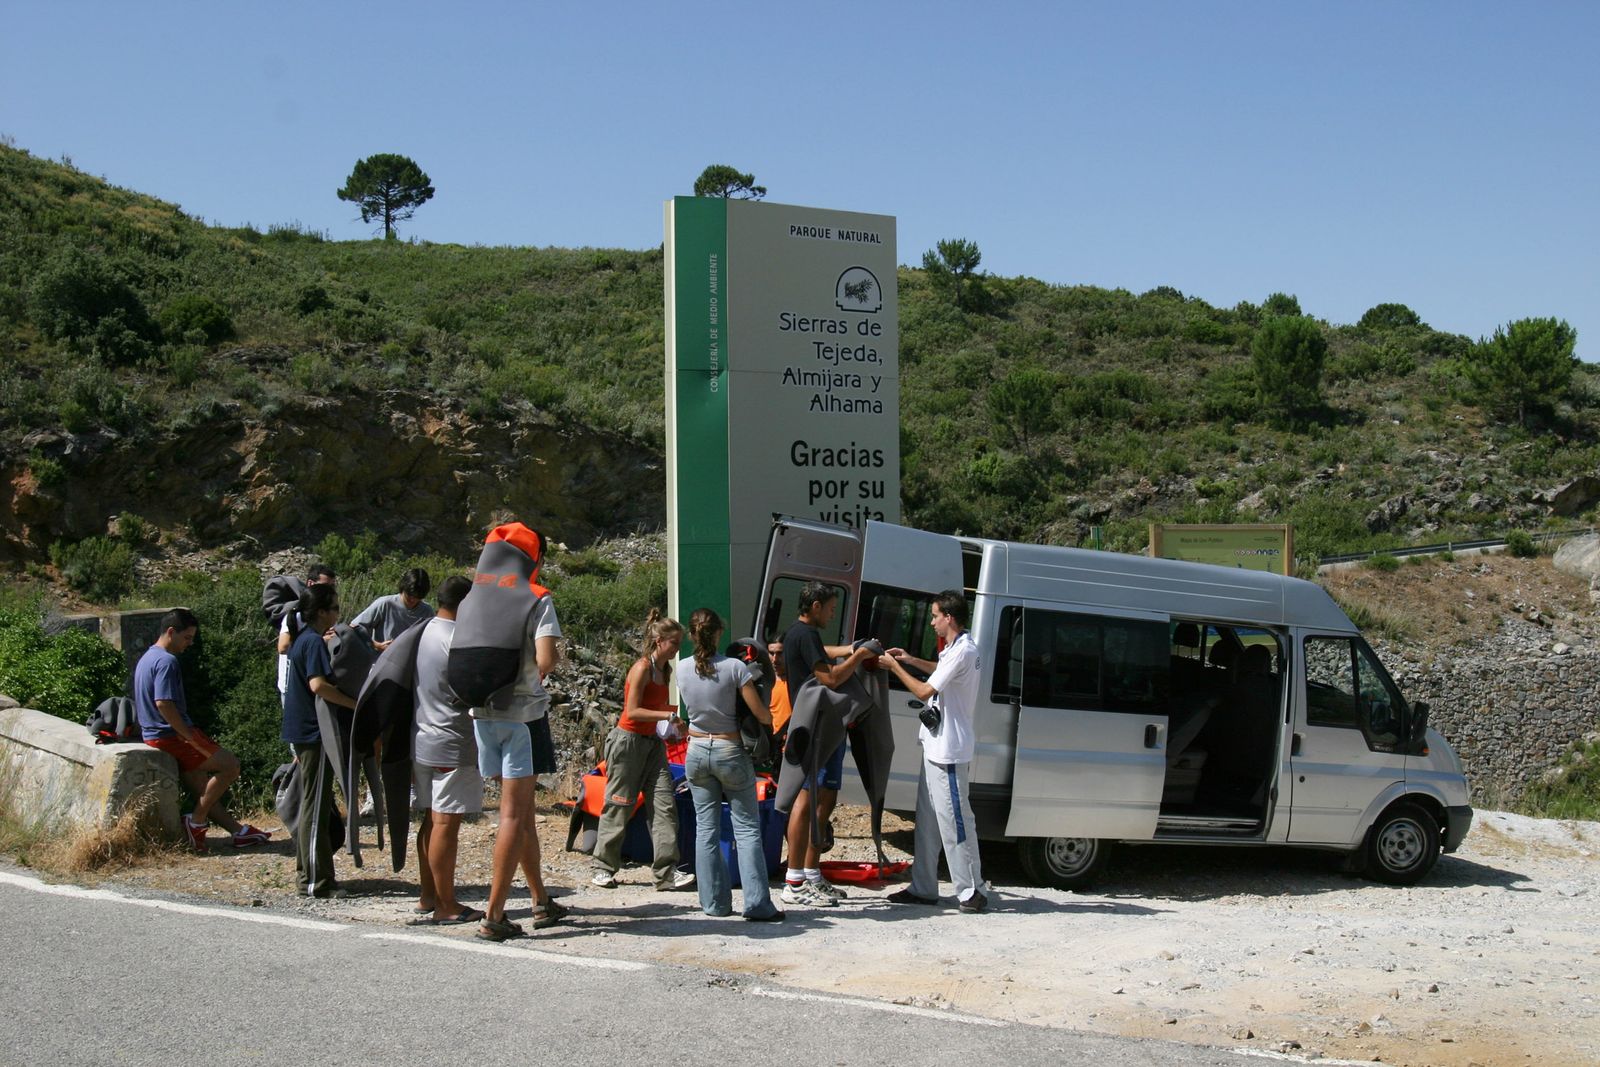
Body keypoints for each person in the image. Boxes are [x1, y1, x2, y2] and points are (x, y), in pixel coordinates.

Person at [458, 523, 567, 942]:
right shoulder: (535, 597)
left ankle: (540, 901)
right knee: (514, 816)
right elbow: (547, 659)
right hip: (522, 716)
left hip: (482, 715)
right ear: (533, 558)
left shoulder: (473, 597)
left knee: (521, 814)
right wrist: (538, 670)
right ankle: (494, 915)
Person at [880, 590, 989, 913]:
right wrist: (911, 660)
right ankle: (924, 887)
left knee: (956, 823)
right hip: (935, 746)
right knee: (928, 823)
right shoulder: (955, 649)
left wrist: (894, 667)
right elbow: (941, 671)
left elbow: (925, 690)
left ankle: (972, 890)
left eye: (935, 616)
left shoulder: (964, 650)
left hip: (949, 752)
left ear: (949, 618)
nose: (932, 622)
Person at [134, 608, 269, 852]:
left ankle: (237, 832)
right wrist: (188, 735)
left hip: (154, 735)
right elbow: (163, 703)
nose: (190, 643)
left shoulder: (147, 658)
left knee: (204, 790)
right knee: (230, 766)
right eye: (187, 637)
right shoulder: (166, 661)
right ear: (171, 632)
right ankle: (195, 821)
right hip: (171, 735)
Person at [678, 608, 782, 922]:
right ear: (719, 633)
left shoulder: (681, 668)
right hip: (729, 750)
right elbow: (761, 713)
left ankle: (714, 904)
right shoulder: (735, 668)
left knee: (706, 830)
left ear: (692, 635)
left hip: (696, 750)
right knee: (747, 829)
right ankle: (757, 904)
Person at [778, 581, 876, 908]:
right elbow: (830, 678)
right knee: (806, 801)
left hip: (826, 725)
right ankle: (794, 881)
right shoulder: (804, 634)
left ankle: (811, 873)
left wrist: (849, 649)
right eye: (831, 608)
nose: (833, 614)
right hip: (816, 727)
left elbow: (822, 653)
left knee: (825, 799)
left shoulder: (803, 635)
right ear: (816, 606)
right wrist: (859, 656)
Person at [590, 609, 695, 892]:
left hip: (652, 744)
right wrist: (667, 717)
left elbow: (655, 710)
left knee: (664, 806)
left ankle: (666, 873)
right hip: (628, 743)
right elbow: (633, 711)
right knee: (619, 804)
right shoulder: (641, 668)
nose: (677, 649)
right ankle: (603, 868)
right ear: (659, 641)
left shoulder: (665, 670)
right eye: (674, 643)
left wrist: (670, 728)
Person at [410, 575, 484, 926]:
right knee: (445, 824)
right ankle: (446, 905)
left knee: (430, 820)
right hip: (452, 742)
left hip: (423, 736)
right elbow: (474, 691)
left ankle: (428, 896)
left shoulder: (424, 630)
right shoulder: (457, 640)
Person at [283, 582, 355, 899]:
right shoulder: (312, 642)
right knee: (315, 807)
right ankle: (315, 881)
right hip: (315, 733)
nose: (338, 614)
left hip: (305, 732)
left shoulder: (303, 639)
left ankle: (312, 874)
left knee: (316, 803)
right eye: (335, 608)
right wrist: (353, 704)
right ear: (322, 612)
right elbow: (318, 686)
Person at [277, 563, 336, 706]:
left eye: (332, 587)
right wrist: (321, 640)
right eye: (325, 586)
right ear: (310, 584)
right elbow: (283, 647)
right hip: (294, 685)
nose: (329, 591)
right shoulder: (298, 615)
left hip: (311, 679)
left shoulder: (326, 614)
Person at [351, 568, 435, 653]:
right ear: (403, 587)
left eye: (418, 597)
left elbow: (432, 640)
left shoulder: (427, 611)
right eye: (409, 595)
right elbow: (354, 627)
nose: (412, 599)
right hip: (381, 658)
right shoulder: (385, 604)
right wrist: (376, 645)